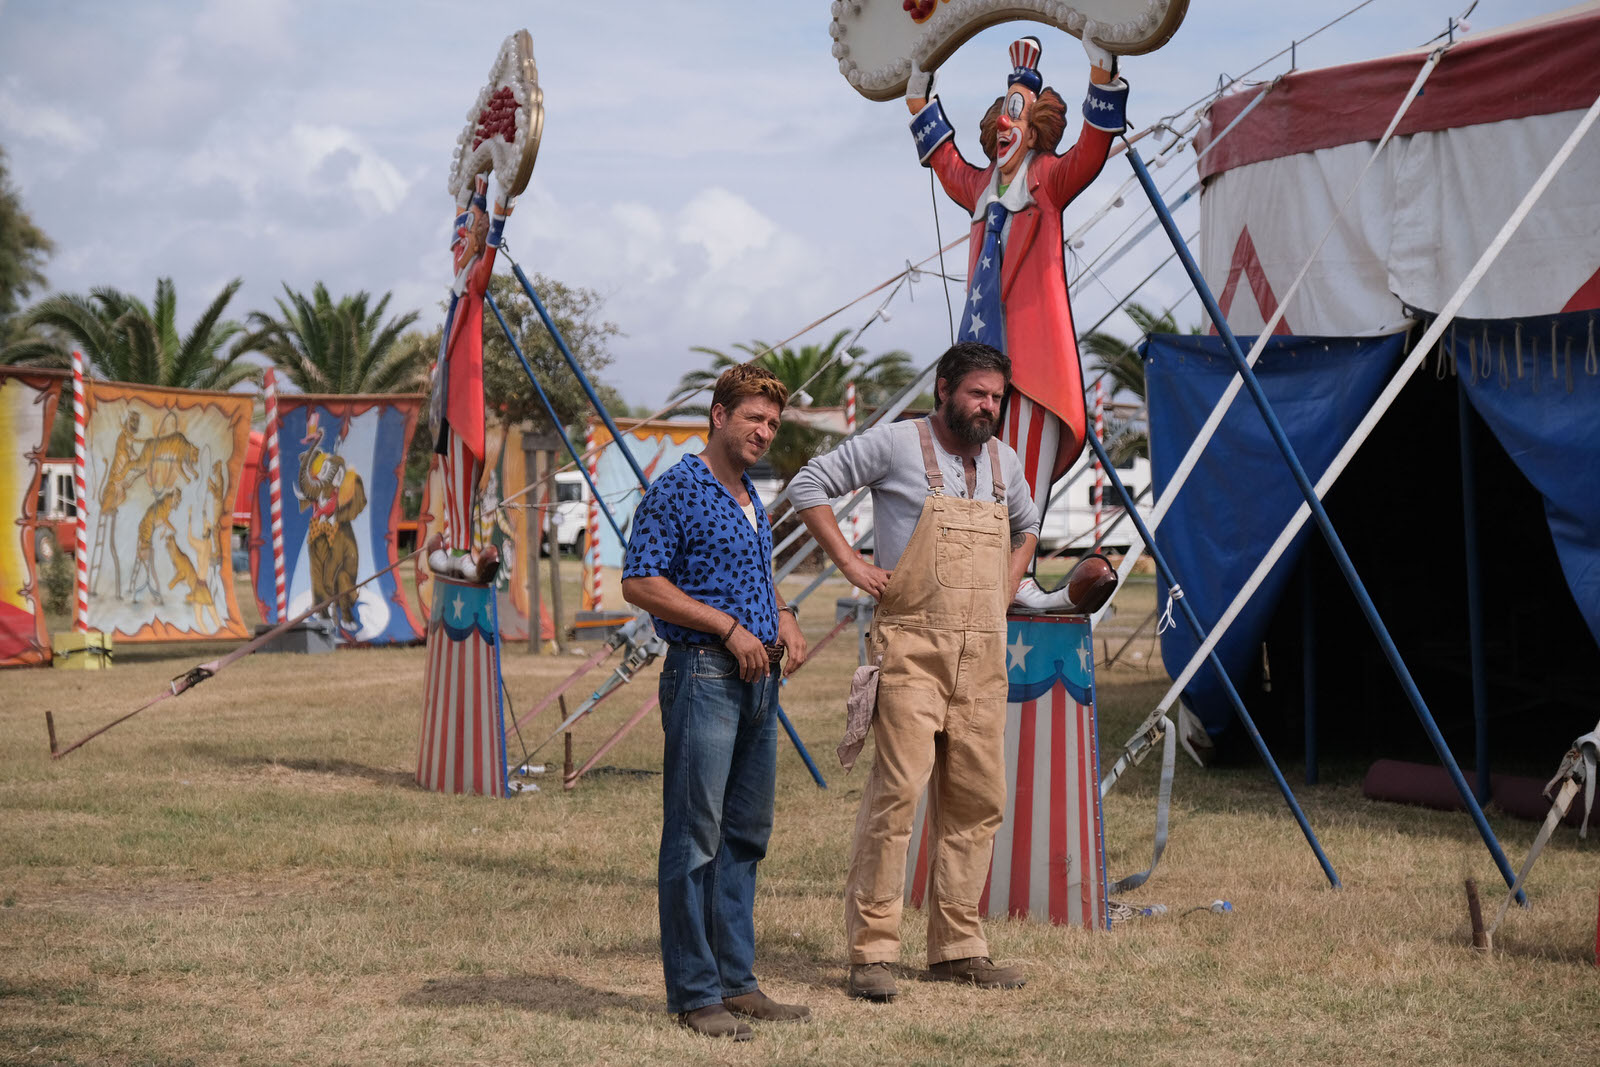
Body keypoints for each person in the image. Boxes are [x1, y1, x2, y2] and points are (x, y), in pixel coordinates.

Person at [788, 342, 1037, 1002]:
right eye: (978, 393)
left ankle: (958, 948)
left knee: (978, 801)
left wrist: (1004, 588)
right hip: (912, 653)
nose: (989, 406)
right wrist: (851, 564)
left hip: (983, 659)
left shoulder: (1004, 462)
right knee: (897, 797)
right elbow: (806, 485)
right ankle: (872, 952)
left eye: (997, 398)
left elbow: (1028, 527)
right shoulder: (898, 443)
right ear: (945, 388)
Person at [621, 362, 811, 1041]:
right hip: (704, 674)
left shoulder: (749, 493)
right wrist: (728, 628)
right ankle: (696, 993)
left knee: (745, 835)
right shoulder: (678, 488)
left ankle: (737, 981)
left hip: (760, 681)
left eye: (773, 423)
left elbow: (752, 574)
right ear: (719, 416)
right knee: (695, 836)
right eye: (754, 418)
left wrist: (783, 612)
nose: (764, 431)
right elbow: (640, 581)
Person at [907, 33, 1128, 612]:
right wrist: (918, 98)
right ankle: (976, 573)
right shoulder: (980, 188)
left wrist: (1101, 74)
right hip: (980, 356)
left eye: (1018, 114)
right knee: (973, 464)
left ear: (1035, 131)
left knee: (1024, 469)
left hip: (1033, 361)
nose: (1005, 124)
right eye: (1002, 114)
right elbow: (945, 161)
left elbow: (1092, 149)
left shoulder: (1047, 181)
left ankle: (1018, 576)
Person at [427, 172, 510, 584]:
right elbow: (463, 229)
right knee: (448, 472)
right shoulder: (458, 286)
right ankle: (454, 544)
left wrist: (499, 208)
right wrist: (476, 188)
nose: (458, 248)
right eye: (456, 242)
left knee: (461, 474)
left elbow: (489, 251)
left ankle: (461, 548)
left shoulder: (474, 283)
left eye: (464, 241)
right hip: (445, 397)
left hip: (461, 399)